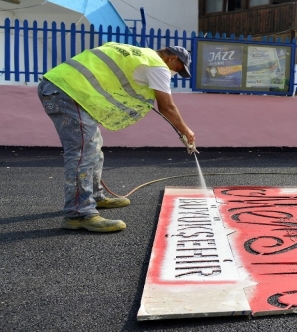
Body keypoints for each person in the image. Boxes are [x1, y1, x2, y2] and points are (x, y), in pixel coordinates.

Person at [37, 42, 197, 233]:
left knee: (93, 147)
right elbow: (167, 107)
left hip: (65, 88)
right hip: (67, 92)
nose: (175, 74)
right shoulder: (156, 65)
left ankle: (95, 197)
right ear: (171, 58)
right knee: (83, 153)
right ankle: (78, 214)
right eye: (177, 69)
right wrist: (186, 130)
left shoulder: (138, 54)